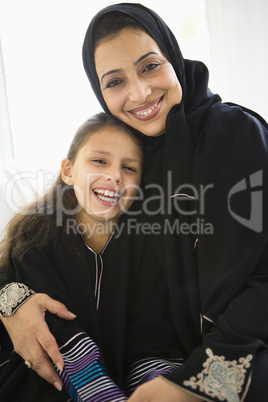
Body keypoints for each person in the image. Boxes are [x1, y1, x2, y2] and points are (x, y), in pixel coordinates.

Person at [1, 3, 268, 401]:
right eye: (114, 81)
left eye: (149, 66)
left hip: (236, 358)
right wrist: (10, 302)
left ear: (172, 56)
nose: (139, 93)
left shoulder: (234, 132)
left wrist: (194, 383)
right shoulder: (138, 152)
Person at [0, 112, 183, 401]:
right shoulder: (36, 232)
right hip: (46, 375)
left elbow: (152, 333)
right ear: (69, 170)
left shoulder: (149, 242)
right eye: (99, 161)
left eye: (129, 167)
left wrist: (156, 385)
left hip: (125, 376)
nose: (114, 175)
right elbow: (54, 329)